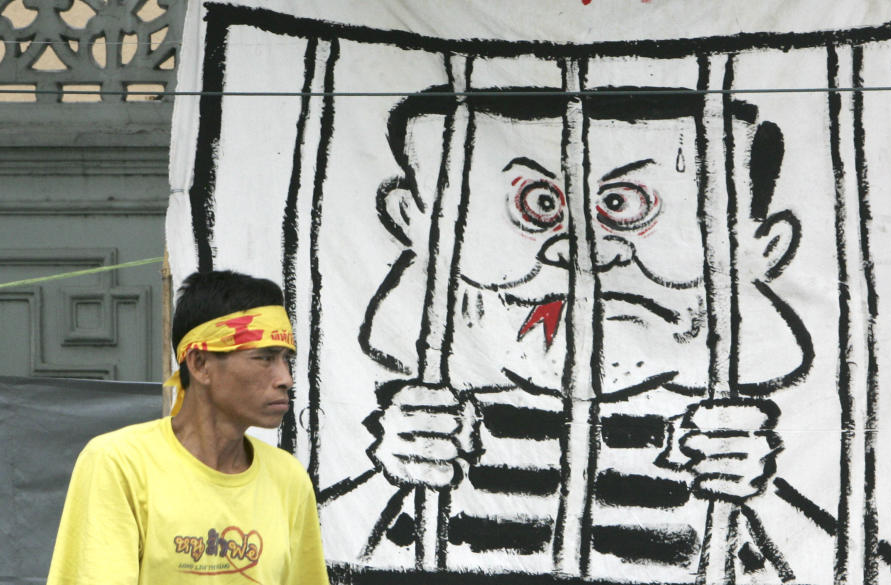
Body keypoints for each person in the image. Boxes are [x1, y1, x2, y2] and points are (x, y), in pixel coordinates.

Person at [321, 86, 815, 582]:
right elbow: (304, 552)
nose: (583, 254)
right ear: (414, 220)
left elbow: (854, 563)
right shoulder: (431, 410)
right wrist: (387, 479)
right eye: (537, 203)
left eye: (623, 204)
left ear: (761, 247)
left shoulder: (738, 428)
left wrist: (760, 493)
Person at [47, 270, 330, 585]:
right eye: (264, 358)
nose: (285, 379)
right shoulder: (120, 465)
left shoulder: (288, 478)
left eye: (286, 359)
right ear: (200, 365)